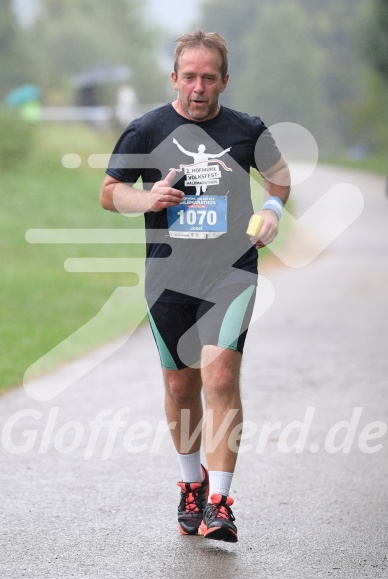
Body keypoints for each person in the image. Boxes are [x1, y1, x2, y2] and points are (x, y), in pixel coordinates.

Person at [100, 28, 290, 543]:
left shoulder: (247, 129)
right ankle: (191, 487)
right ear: (174, 77)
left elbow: (280, 176)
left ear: (225, 80)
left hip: (231, 271)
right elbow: (109, 192)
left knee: (221, 377)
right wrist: (147, 199)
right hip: (168, 277)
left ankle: (221, 503)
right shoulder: (146, 129)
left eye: (209, 77)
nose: (198, 87)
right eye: (189, 77)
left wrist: (272, 209)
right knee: (180, 385)